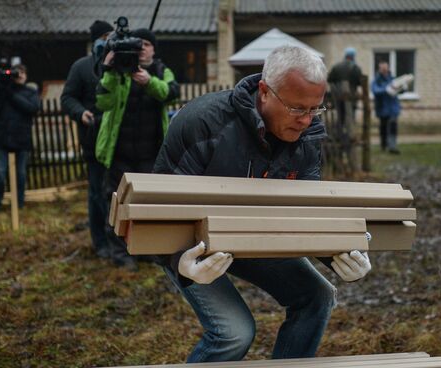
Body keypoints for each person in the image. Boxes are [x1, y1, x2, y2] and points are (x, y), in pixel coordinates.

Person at [152, 45, 372, 363]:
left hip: (255, 232)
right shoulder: (203, 123)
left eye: (316, 109)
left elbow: (305, 209)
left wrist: (341, 253)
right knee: (235, 332)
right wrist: (180, 263)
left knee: (318, 296)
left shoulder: (307, 136)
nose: (307, 120)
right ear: (265, 91)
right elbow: (159, 209)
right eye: (297, 109)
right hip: (194, 243)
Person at [96, 28, 179, 270]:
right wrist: (109, 70)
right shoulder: (119, 72)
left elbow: (172, 93)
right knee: (116, 203)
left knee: (147, 206)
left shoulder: (162, 70)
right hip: (119, 152)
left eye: (145, 44)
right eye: (137, 44)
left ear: (154, 48)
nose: (141, 48)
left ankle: (144, 250)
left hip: (150, 154)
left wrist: (149, 82)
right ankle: (121, 254)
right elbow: (103, 101)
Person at [61, 20, 113, 259]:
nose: (107, 40)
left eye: (110, 35)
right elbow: (68, 97)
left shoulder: (120, 64)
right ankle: (100, 242)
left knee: (115, 193)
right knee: (96, 193)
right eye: (103, 36)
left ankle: (120, 241)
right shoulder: (81, 67)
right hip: (93, 140)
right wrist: (80, 112)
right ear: (95, 40)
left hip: (118, 142)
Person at [0, 64, 41, 212]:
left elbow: (32, 108)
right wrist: (2, 86)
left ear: (26, 76)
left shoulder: (31, 92)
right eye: (17, 73)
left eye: (22, 73)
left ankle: (19, 203)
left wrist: (11, 95)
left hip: (22, 139)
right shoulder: (4, 91)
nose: (20, 75)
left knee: (20, 174)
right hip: (2, 138)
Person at [371, 61, 402, 154]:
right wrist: (387, 89)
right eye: (382, 69)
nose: (384, 70)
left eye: (386, 68)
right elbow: (375, 90)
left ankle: (392, 146)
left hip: (393, 108)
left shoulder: (393, 79)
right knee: (383, 128)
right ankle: (384, 145)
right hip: (382, 109)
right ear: (379, 69)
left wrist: (402, 88)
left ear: (388, 68)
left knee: (393, 127)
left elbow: (399, 90)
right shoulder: (377, 80)